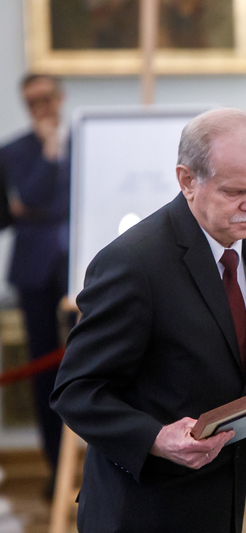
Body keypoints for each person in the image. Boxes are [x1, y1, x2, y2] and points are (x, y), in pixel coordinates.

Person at [50, 108, 246, 533]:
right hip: (142, 510)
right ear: (187, 180)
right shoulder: (132, 262)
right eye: (235, 191)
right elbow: (76, 390)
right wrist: (156, 438)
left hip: (226, 503)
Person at [0, 73, 71, 492]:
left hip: (82, 268)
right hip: (34, 270)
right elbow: (27, 197)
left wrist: (34, 207)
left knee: (96, 365)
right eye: (32, 102)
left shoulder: (84, 142)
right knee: (44, 372)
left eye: (46, 98)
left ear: (60, 97)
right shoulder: (13, 151)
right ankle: (55, 468)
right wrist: (48, 154)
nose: (41, 107)